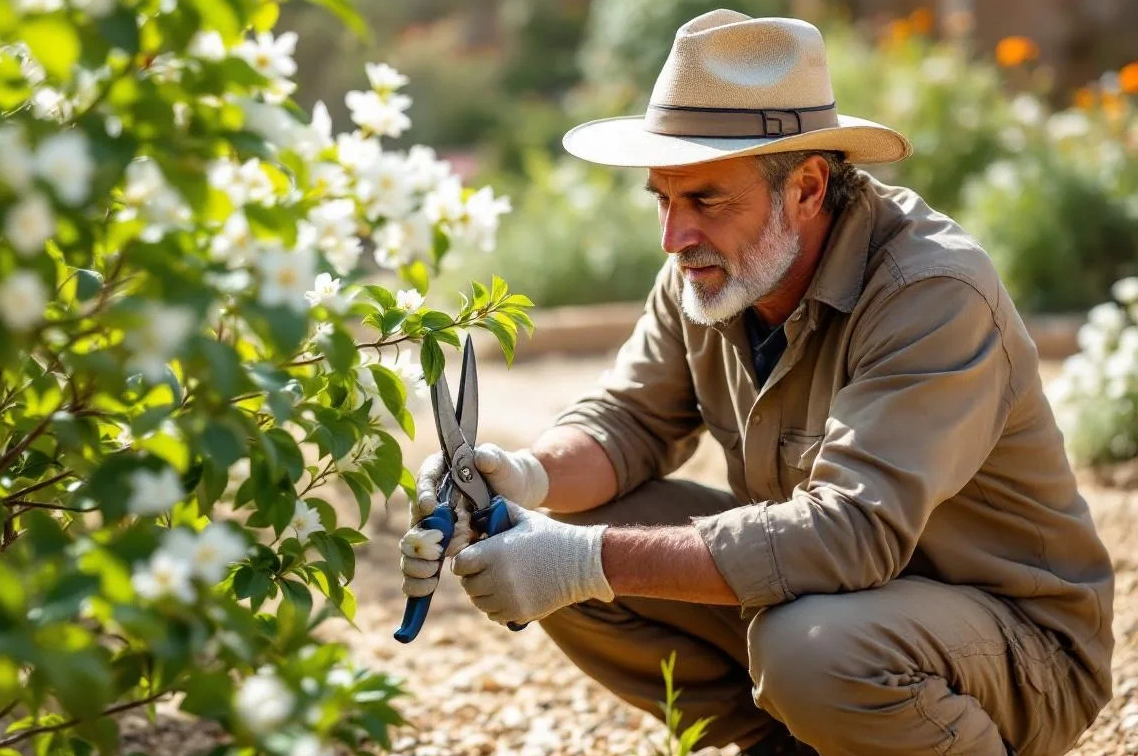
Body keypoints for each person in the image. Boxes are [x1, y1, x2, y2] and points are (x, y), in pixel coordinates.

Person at [397, 9, 1116, 756]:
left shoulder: (931, 293)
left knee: (806, 649)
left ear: (806, 188)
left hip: (1017, 650)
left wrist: (583, 564)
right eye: (662, 199)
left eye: (706, 199)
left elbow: (849, 535)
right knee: (567, 523)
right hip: (843, 612)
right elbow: (626, 423)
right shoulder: (714, 273)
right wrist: (521, 479)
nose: (673, 237)